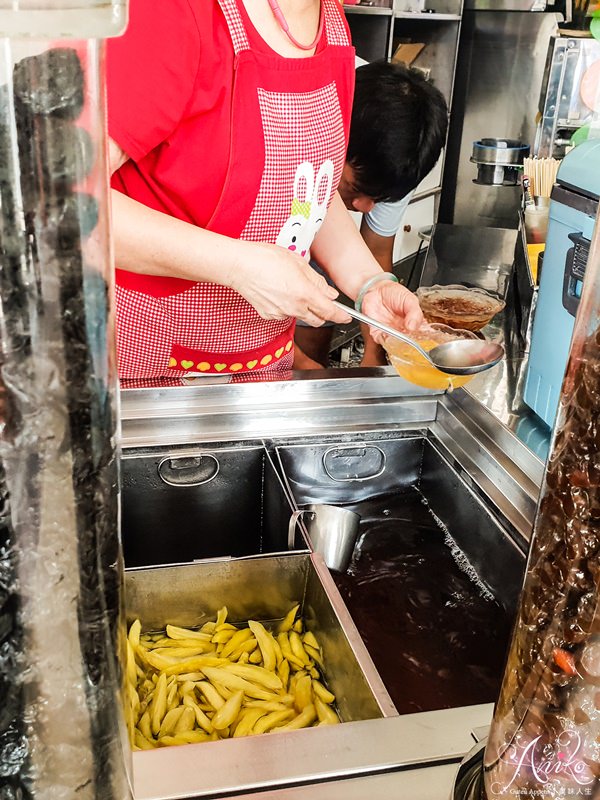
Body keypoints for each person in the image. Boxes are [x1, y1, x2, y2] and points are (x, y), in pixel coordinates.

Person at [105, 0, 423, 384]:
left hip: (262, 370)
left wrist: (368, 284)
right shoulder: (177, 12)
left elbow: (306, 188)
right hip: (140, 372)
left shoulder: (333, 23)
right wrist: (240, 267)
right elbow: (64, 202)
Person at [294, 59, 448, 369]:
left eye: (379, 199)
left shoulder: (397, 160)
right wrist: (293, 363)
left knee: (320, 307)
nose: (364, 208)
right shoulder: (305, 119)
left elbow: (373, 255)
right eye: (354, 189)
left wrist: (375, 358)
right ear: (336, 139)